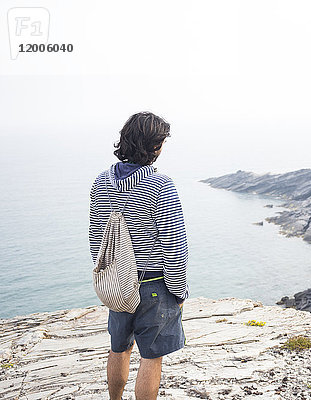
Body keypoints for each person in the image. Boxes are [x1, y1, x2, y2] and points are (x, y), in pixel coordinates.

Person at [88, 112, 189, 400]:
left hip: (118, 283)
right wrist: (179, 291)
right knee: (151, 357)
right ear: (153, 146)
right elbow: (174, 247)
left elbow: (97, 241)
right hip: (155, 286)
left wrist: (109, 279)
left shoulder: (100, 182)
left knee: (118, 347)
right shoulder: (160, 186)